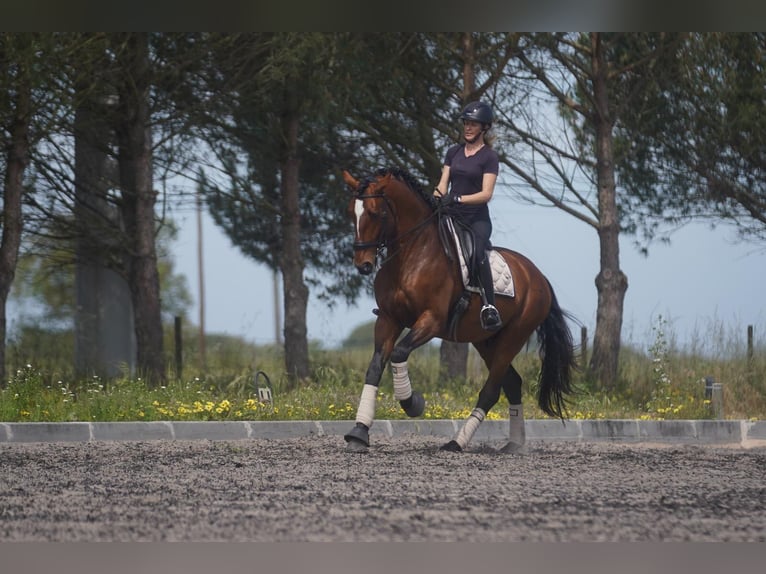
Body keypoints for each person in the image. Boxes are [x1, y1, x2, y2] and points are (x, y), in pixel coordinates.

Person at [434, 100, 502, 331]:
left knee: (477, 254)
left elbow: (486, 194)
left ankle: (489, 306)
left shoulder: (489, 157)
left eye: (473, 124)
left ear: (484, 128)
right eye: (466, 123)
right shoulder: (453, 152)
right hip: (451, 216)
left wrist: (458, 199)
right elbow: (443, 184)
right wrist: (435, 197)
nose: (468, 128)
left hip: (476, 220)